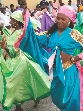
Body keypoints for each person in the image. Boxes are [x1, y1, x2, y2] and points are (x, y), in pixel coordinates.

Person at [19, 5, 83, 111]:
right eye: (58, 18)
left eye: (63, 19)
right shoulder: (51, 33)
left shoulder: (74, 34)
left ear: (70, 21)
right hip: (56, 71)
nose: (60, 21)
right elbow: (35, 38)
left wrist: (76, 58)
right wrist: (27, 21)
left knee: (71, 99)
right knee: (59, 97)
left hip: (69, 71)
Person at [0, 10, 50, 111]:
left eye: (12, 19)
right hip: (11, 60)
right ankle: (19, 106)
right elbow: (9, 36)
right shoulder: (15, 31)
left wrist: (5, 48)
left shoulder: (20, 34)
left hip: (18, 63)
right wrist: (3, 29)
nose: (10, 21)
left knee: (16, 85)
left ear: (17, 21)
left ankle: (19, 106)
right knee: (17, 85)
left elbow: (16, 50)